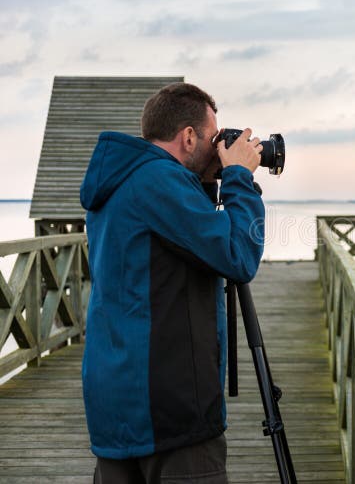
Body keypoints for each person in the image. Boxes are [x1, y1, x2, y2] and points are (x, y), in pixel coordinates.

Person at [79, 82, 265, 483]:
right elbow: (238, 257)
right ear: (188, 136)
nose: (218, 146)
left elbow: (170, 250)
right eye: (213, 137)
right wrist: (238, 177)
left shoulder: (123, 179)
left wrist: (210, 182)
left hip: (116, 405)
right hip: (168, 410)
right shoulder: (158, 181)